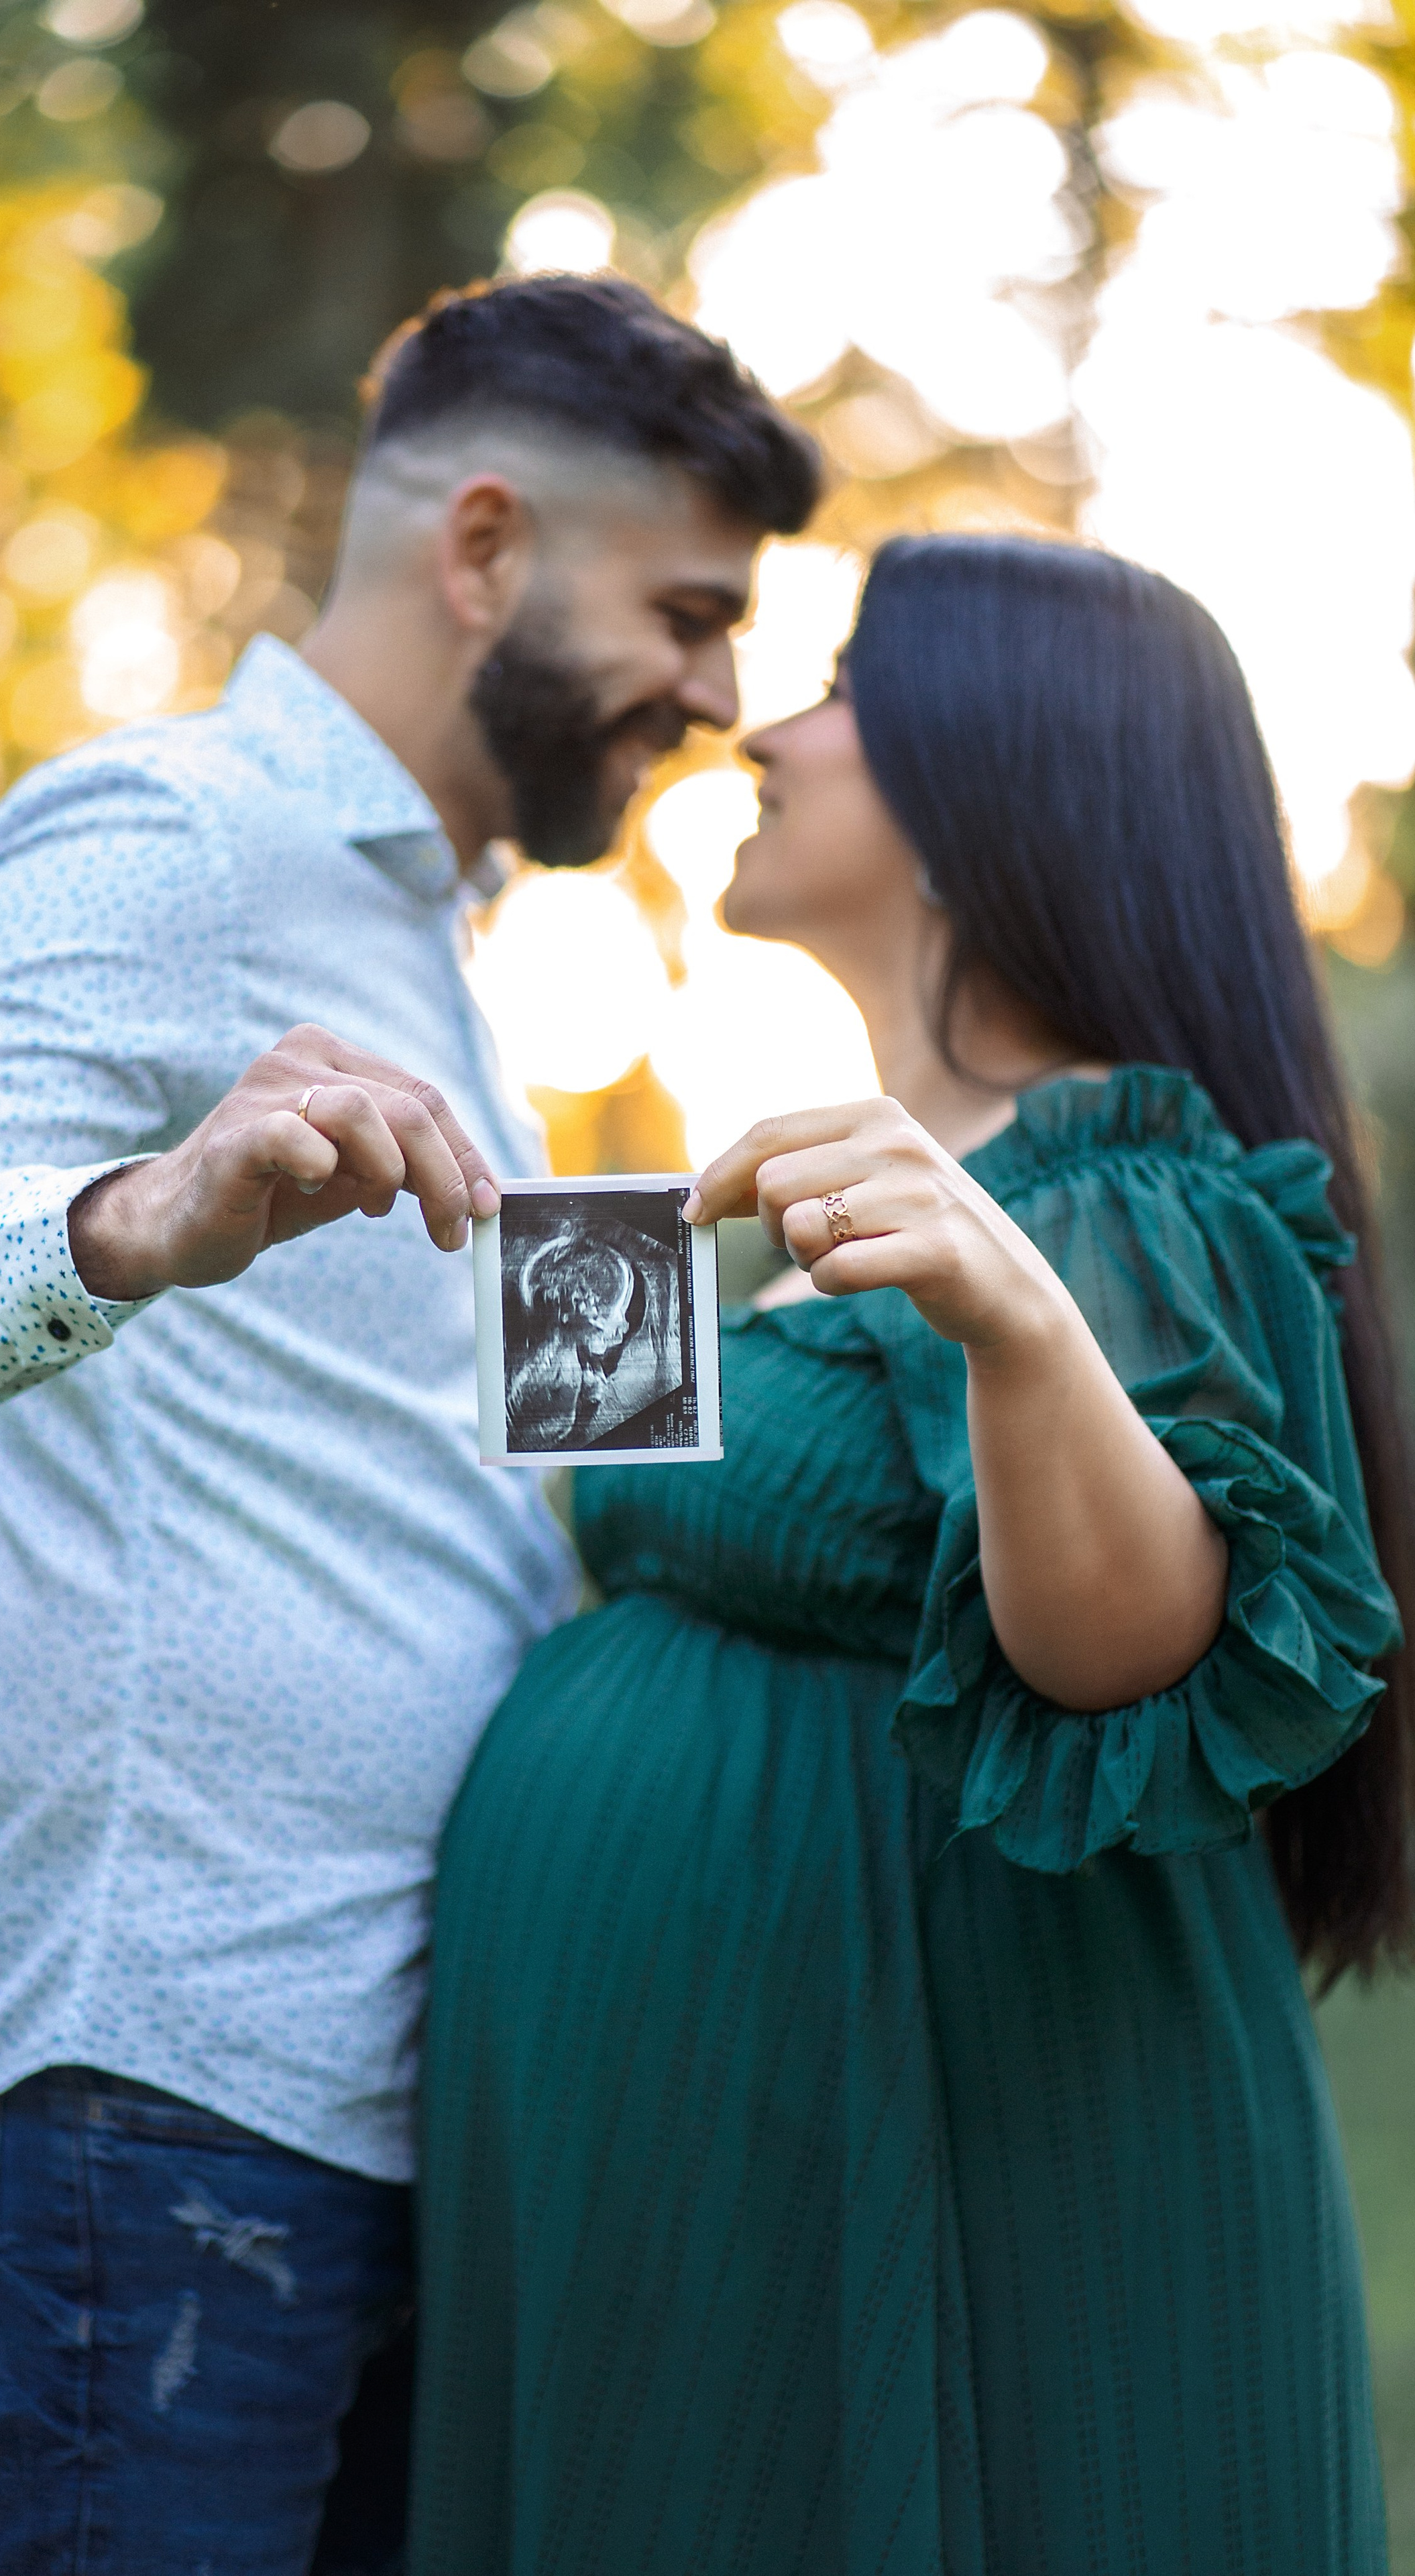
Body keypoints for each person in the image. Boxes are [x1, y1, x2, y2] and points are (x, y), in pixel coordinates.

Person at [0, 274, 819, 2576]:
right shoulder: (170, 832)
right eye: (692, 614)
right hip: (152, 2091)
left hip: (393, 2091)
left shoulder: (454, 960)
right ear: (488, 546)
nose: (722, 698)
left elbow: (498, 1512)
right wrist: (133, 1217)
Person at [411, 534, 1414, 2575]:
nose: (764, 731)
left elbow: (1130, 1652)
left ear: (995, 771)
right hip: (693, 2161)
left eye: (844, 688)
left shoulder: (1119, 1186)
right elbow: (621, 1545)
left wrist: (1020, 1319)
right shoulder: (833, 1205)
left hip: (938, 2145)